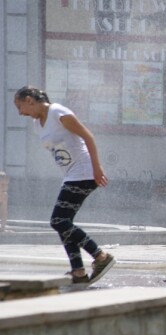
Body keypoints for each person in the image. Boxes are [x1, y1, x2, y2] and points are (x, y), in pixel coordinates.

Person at [14, 86, 115, 284]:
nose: (20, 112)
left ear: (29, 100)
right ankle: (78, 271)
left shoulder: (58, 112)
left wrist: (97, 168)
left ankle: (101, 256)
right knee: (63, 222)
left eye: (20, 107)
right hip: (72, 175)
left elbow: (88, 137)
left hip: (84, 173)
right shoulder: (38, 123)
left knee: (58, 221)